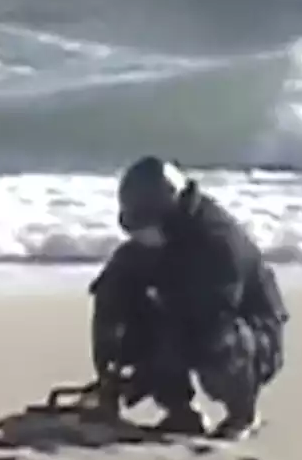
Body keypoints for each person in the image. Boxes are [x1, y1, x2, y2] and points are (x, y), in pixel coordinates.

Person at [87, 155, 289, 440]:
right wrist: (112, 361)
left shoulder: (218, 242)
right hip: (184, 316)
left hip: (251, 332)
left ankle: (242, 414)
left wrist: (154, 361)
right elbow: (109, 293)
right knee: (126, 303)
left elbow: (210, 312)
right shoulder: (148, 245)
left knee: (219, 337)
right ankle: (181, 413)